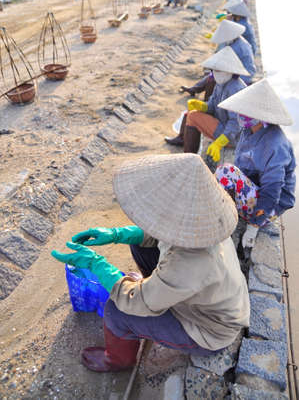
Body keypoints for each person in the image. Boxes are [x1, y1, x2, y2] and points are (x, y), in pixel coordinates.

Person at [51, 153, 250, 372]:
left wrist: (95, 263)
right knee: (140, 245)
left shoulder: (188, 263)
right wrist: (117, 234)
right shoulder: (204, 224)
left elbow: (134, 301)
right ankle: (157, 293)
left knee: (117, 310)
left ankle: (117, 360)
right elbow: (157, 235)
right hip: (205, 296)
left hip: (208, 328)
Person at [215, 78, 296, 249]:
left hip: (271, 203)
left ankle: (231, 221)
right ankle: (226, 213)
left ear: (261, 117)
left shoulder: (275, 145)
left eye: (246, 113)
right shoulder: (248, 130)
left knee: (226, 171)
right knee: (222, 174)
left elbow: (273, 189)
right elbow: (242, 167)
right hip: (254, 188)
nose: (240, 116)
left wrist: (255, 224)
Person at [183, 46, 248, 161]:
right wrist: (202, 106)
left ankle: (188, 158)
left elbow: (236, 123)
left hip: (233, 137)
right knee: (192, 113)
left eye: (218, 70)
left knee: (192, 117)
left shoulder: (235, 88)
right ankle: (189, 155)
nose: (214, 73)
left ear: (229, 71)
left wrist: (220, 142)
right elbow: (212, 105)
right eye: (214, 70)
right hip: (223, 123)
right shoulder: (221, 83)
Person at [212, 19, 256, 85]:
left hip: (243, 75)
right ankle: (195, 89)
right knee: (210, 77)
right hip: (237, 71)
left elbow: (226, 63)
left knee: (212, 79)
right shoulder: (236, 41)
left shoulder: (238, 47)